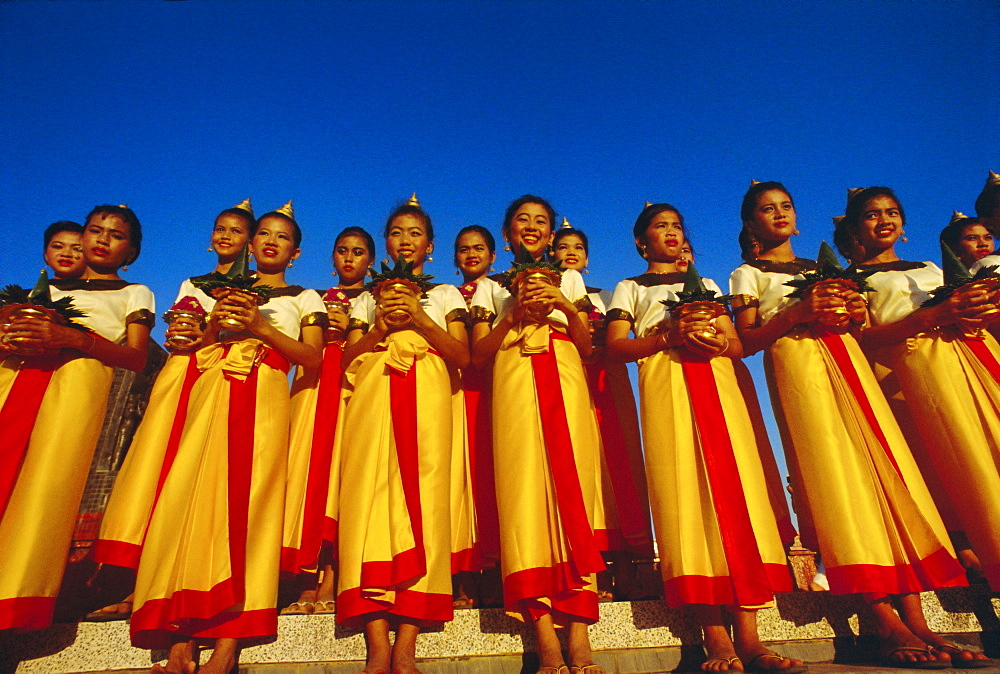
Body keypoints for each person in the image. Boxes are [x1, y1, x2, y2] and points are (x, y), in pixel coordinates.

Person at [730, 181, 968, 668]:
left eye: (786, 207)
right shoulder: (746, 273)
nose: (778, 214)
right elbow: (747, 340)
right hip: (799, 370)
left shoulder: (825, 269)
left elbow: (862, 327)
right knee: (837, 484)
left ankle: (917, 618)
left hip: (850, 364)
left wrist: (850, 309)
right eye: (765, 210)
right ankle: (882, 618)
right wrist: (798, 311)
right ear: (751, 225)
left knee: (886, 475)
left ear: (797, 218)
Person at [604, 203, 802, 673]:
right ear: (640, 242)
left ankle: (751, 639)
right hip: (667, 390)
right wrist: (664, 337)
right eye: (659, 227)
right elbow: (614, 347)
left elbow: (736, 344)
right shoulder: (630, 287)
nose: (671, 233)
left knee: (737, 497)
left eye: (676, 225)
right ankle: (716, 638)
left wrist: (719, 345)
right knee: (685, 501)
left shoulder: (708, 286)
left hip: (718, 387)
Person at [128, 202, 324, 674]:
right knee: (191, 501)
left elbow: (312, 359)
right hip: (211, 391)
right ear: (251, 244)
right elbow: (193, 345)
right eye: (264, 236)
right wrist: (213, 324)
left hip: (265, 398)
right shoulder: (223, 291)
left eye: (282, 238)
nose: (271, 243)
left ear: (295, 253)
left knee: (251, 506)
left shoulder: (305, 296)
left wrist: (260, 325)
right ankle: (181, 634)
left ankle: (230, 639)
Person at [839, 188, 1000, 630]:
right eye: (871, 216)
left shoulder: (929, 267)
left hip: (965, 364)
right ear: (854, 230)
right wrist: (932, 317)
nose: (884, 221)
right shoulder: (851, 280)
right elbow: (862, 338)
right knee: (955, 475)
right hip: (909, 378)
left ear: (905, 226)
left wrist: (969, 313)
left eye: (892, 212)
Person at [92, 200, 256, 619]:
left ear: (251, 243)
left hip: (224, 380)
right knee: (155, 472)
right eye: (220, 228)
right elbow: (184, 334)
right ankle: (134, 581)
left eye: (236, 231)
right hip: (182, 375)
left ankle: (177, 578)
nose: (225, 236)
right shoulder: (191, 283)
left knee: (197, 481)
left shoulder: (258, 288)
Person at [471, 195, 607, 674]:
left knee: (575, 489)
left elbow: (590, 346)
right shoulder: (489, 289)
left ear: (551, 235)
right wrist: (512, 314)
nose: (531, 227)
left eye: (540, 222)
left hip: (565, 373)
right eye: (521, 221)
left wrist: (565, 307)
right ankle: (545, 636)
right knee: (523, 493)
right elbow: (477, 357)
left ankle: (580, 633)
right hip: (512, 378)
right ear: (507, 234)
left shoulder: (569, 278)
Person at [0, 204, 152, 630]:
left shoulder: (134, 292)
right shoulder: (42, 293)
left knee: (45, 491)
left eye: (115, 235)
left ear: (131, 251)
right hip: (17, 379)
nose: (102, 239)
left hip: (75, 390)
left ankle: (19, 600)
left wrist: (72, 337)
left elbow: (136, 358)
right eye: (95, 230)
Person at [337, 197, 469, 674]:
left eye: (415, 234)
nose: (405, 241)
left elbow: (464, 357)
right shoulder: (365, 298)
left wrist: (418, 318)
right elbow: (346, 362)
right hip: (372, 398)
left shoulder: (447, 296)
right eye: (396, 233)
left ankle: (407, 644)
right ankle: (376, 644)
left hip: (429, 398)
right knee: (366, 502)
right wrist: (378, 328)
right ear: (385, 243)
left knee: (426, 501)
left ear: (430, 248)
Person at [550, 221, 653, 602]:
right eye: (563, 247)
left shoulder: (608, 297)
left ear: (588, 259)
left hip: (608, 382)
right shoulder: (548, 292)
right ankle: (591, 572)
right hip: (569, 379)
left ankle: (628, 569)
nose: (571, 253)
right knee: (583, 471)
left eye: (578, 247)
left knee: (618, 469)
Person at [280, 225, 375, 615]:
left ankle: (335, 576)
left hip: (353, 383)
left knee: (341, 475)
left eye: (358, 252)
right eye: (342, 251)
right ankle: (305, 576)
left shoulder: (376, 297)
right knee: (307, 473)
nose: (349, 258)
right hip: (314, 386)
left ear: (371, 261)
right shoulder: (310, 298)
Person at [452, 224, 502, 608]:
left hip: (500, 388)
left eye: (479, 248)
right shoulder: (444, 295)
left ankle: (500, 572)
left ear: (493, 255)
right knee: (460, 481)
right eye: (464, 249)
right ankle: (464, 576)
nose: (472, 254)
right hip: (455, 391)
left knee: (495, 476)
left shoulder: (503, 289)